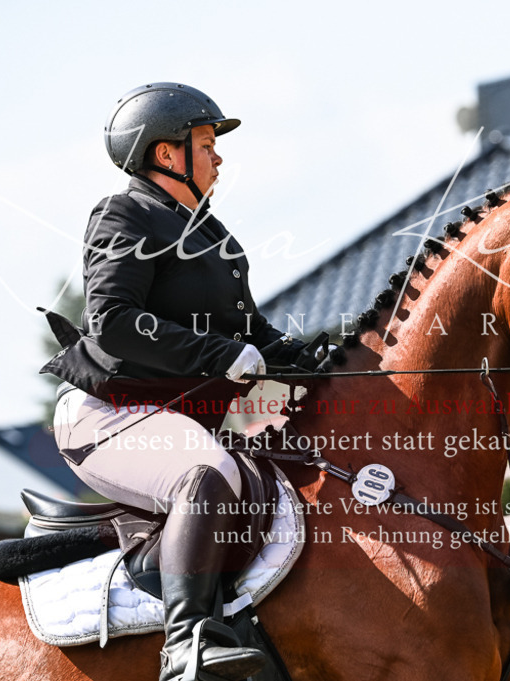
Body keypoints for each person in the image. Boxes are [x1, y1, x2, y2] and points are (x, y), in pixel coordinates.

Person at [41, 82, 309, 681]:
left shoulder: (211, 234)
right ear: (167, 154)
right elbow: (111, 323)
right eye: (208, 143)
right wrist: (217, 354)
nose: (220, 157)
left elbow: (253, 333)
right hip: (108, 416)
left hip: (177, 418)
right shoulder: (124, 214)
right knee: (208, 474)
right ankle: (188, 645)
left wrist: (317, 356)